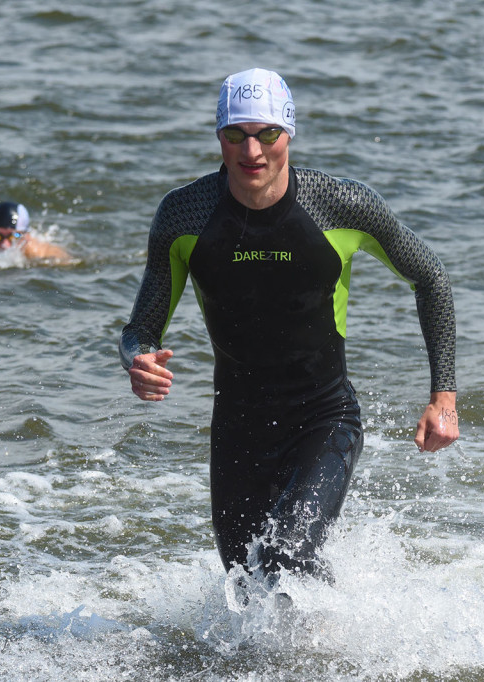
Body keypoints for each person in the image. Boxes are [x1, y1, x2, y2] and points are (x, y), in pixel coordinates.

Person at [119, 68, 458, 584]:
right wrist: (137, 359)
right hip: (236, 428)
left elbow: (429, 276)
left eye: (266, 134)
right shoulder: (184, 215)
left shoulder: (341, 204)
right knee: (247, 586)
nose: (251, 151)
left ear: (288, 134)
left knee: (286, 557)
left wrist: (443, 397)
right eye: (236, 134)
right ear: (220, 137)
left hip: (324, 418)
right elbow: (140, 327)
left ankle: (341, 653)